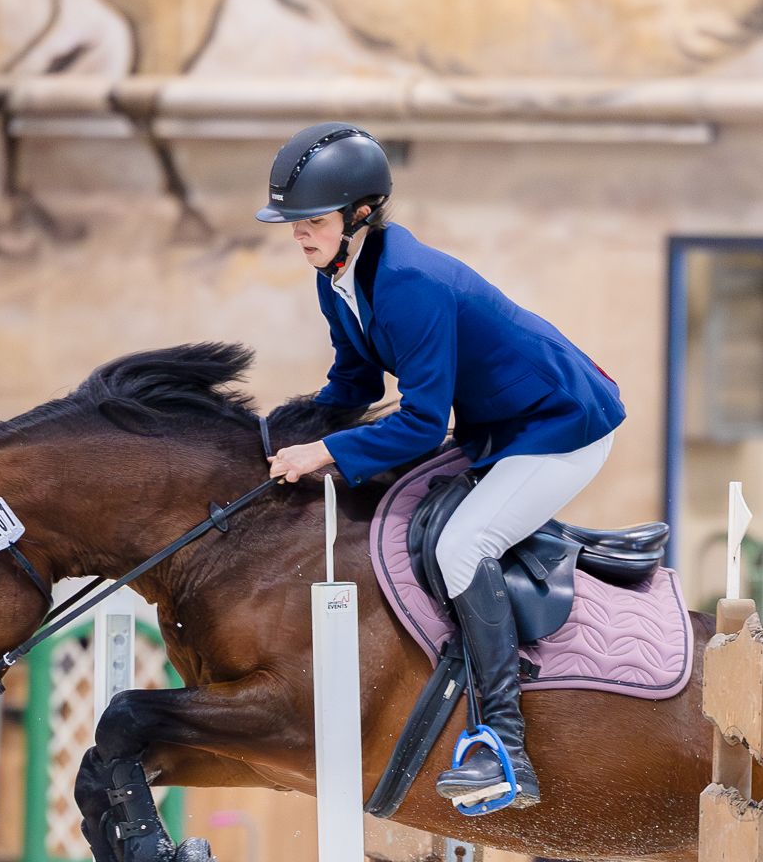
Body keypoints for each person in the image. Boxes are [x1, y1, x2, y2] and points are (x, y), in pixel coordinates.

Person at [258, 123, 624, 815]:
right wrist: (286, 428)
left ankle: (506, 747)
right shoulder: (339, 275)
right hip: (502, 425)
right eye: (293, 224)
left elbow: (423, 423)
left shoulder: (408, 282)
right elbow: (357, 383)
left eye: (311, 221)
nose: (299, 235)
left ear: (359, 214)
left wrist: (326, 452)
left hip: (563, 425)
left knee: (463, 544)